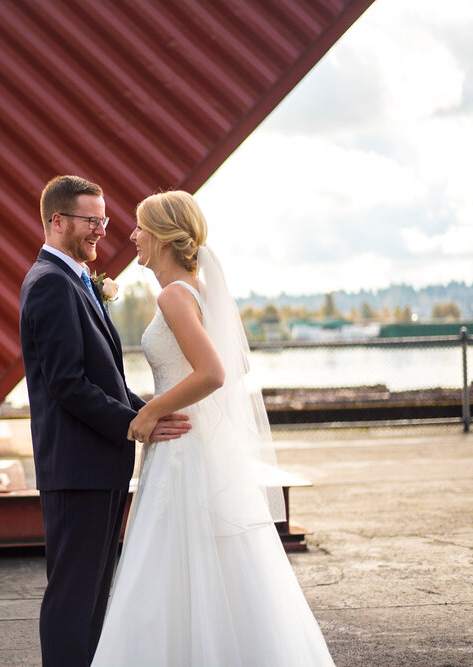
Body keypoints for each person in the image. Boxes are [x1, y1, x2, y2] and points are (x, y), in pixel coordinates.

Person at [91, 191, 336, 666]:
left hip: (182, 449)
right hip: (192, 442)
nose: (132, 236)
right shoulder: (199, 291)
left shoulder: (174, 295)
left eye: (140, 227)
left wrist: (149, 412)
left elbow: (215, 372)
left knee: (167, 569)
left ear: (161, 237)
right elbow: (236, 364)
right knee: (210, 567)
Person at [19, 175, 191, 667]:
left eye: (104, 219)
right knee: (74, 595)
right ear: (57, 221)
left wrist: (149, 411)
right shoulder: (51, 284)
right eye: (91, 220)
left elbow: (106, 379)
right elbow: (68, 385)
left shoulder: (75, 280)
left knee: (94, 595)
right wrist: (135, 424)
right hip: (78, 467)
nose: (101, 230)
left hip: (97, 465)